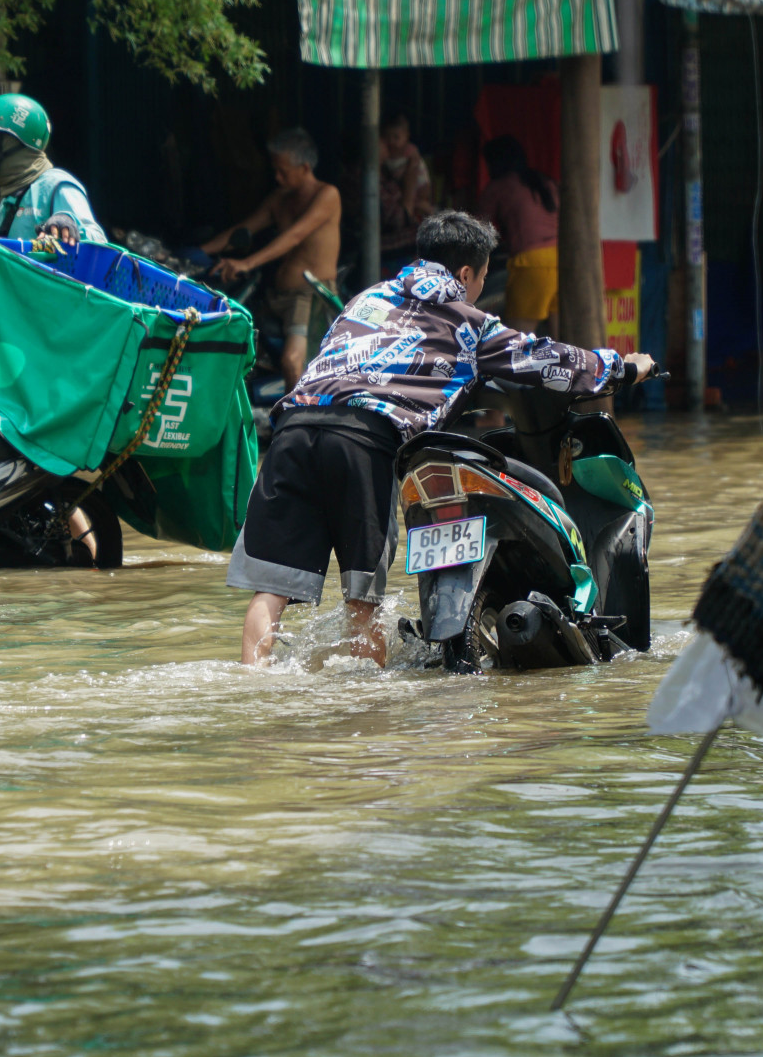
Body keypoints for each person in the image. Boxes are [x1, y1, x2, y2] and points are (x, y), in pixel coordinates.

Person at [229, 210, 657, 666]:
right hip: (363, 443)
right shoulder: (468, 323)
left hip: (292, 430)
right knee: (362, 608)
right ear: (467, 272)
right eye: (481, 278)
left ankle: (255, 689)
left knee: (269, 594)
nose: (477, 290)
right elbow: (548, 359)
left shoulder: (365, 300)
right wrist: (625, 367)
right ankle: (363, 712)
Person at [201, 128, 343, 389]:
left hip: (308, 296)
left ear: (304, 167)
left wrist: (246, 263)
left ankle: (295, 425)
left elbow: (294, 236)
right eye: (275, 170)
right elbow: (244, 229)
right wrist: (201, 251)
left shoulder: (327, 195)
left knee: (292, 361)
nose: (277, 177)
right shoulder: (280, 198)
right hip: (276, 296)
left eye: (283, 171)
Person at [0, 93, 105, 249]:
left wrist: (69, 222)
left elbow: (99, 244)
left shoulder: (56, 186)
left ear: (10, 142)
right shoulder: (7, 203)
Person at [476, 135, 561, 332]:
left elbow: (477, 230)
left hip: (532, 264)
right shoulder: (544, 181)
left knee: (518, 338)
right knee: (563, 340)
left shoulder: (499, 187)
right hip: (562, 261)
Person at [377, 112, 433, 258]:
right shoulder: (380, 172)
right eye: (386, 137)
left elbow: (423, 185)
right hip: (395, 238)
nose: (391, 142)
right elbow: (400, 219)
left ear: (407, 136)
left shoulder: (410, 154)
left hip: (417, 195)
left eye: (396, 137)